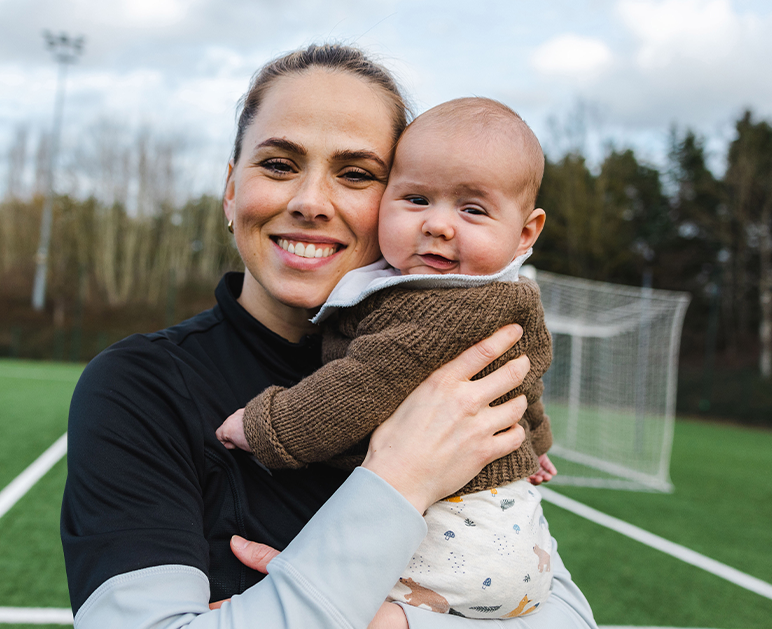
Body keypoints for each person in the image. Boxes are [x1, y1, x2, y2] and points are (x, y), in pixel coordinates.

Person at [61, 43, 598, 629]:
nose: (311, 202)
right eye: (278, 165)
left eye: (356, 175)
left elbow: (562, 613)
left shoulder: (460, 363)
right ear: (231, 190)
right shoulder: (141, 385)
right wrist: (401, 475)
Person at [216, 97, 557, 619]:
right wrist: (536, 442)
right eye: (416, 199)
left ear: (526, 233)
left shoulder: (449, 305)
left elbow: (359, 385)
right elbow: (525, 382)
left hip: (468, 534)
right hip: (513, 537)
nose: (438, 225)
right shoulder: (475, 296)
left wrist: (265, 427)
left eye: (471, 209)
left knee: (331, 608)